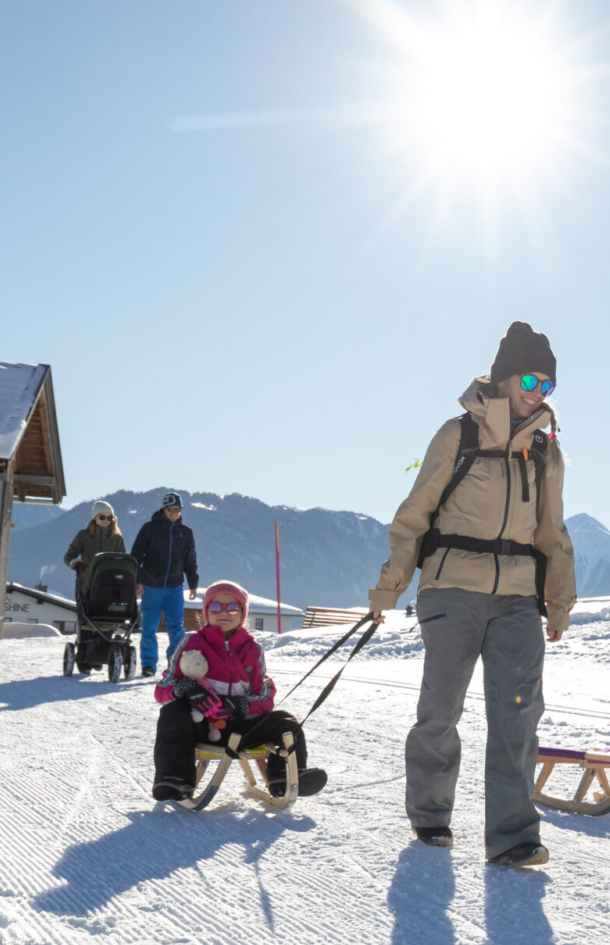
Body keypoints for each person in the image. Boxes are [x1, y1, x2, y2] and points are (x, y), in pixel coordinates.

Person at [367, 321, 577, 868]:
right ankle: (431, 814)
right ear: (505, 377)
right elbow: (415, 516)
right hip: (451, 589)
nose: (538, 391)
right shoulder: (457, 434)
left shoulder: (546, 451)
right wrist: (389, 587)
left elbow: (552, 533)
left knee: (518, 715)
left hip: (517, 601)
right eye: (531, 379)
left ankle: (513, 837)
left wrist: (558, 602)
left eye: (548, 385)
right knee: (441, 710)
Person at [151, 581, 324, 802]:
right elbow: (162, 690)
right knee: (172, 712)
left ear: (242, 613)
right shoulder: (191, 642)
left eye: (232, 608)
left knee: (286, 722)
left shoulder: (252, 649)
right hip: (200, 727)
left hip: (241, 729)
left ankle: (285, 776)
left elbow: (265, 696)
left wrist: (238, 704)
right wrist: (187, 688)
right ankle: (174, 779)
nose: (224, 613)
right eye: (215, 608)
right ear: (206, 613)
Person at [130, 491, 200, 677]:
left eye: (177, 509)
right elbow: (136, 556)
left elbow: (190, 560)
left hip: (175, 587)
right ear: (163, 509)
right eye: (170, 509)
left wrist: (193, 583)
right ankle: (148, 665)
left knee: (176, 627)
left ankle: (175, 664)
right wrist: (137, 581)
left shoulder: (186, 532)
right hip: (151, 586)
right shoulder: (149, 528)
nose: (174, 513)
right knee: (149, 627)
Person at [64, 501, 126, 610]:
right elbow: (69, 556)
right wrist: (76, 564)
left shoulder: (117, 538)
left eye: (109, 518)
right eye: (102, 517)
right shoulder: (84, 535)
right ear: (95, 518)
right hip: (88, 581)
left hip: (110, 581)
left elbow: (122, 559)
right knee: (88, 612)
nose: (106, 520)